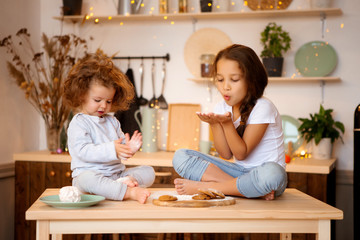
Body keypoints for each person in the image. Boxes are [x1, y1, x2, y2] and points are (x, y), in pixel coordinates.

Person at [172, 44, 287, 200]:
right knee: (180, 156)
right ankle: (246, 190)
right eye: (220, 79)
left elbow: (241, 153)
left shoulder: (263, 107)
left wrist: (226, 124)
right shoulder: (221, 106)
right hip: (238, 173)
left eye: (234, 80)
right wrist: (214, 124)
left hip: (263, 175)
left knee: (273, 173)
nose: (225, 87)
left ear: (251, 80)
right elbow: (225, 154)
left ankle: (208, 188)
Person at [63, 54, 155, 204]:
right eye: (97, 100)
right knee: (87, 179)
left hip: (116, 175)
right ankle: (129, 191)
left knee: (149, 171)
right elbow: (83, 151)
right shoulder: (79, 123)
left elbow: (120, 151)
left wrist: (129, 149)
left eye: (108, 101)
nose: (104, 106)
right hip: (89, 176)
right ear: (82, 96)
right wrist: (113, 149)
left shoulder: (112, 121)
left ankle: (123, 183)